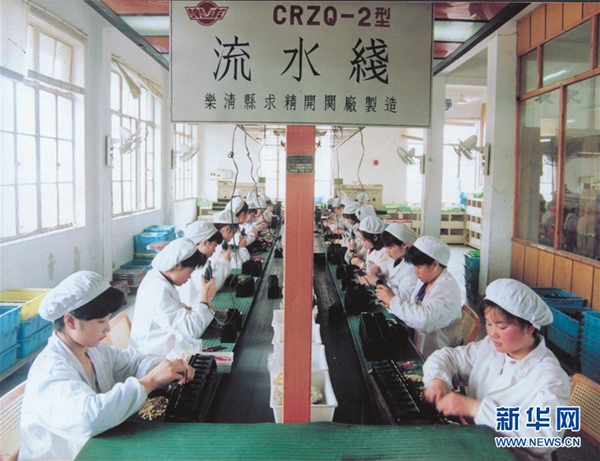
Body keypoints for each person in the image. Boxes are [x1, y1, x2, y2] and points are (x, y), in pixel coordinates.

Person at [20, 271, 194, 461]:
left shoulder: (91, 348)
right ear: (70, 321)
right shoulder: (51, 371)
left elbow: (131, 362)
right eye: (101, 321)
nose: (107, 328)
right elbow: (90, 418)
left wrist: (162, 367)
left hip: (96, 446)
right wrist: (150, 381)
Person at [423, 279, 570, 460]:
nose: (492, 333)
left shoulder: (551, 378)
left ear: (530, 327)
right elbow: (449, 357)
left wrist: (476, 409)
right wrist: (437, 381)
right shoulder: (492, 347)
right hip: (476, 445)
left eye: (502, 326)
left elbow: (545, 438)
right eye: (489, 323)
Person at [129, 238, 217, 357]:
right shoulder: (158, 289)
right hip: (151, 357)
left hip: (164, 348)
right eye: (190, 272)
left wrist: (187, 308)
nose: (189, 277)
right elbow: (190, 331)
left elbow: (173, 313)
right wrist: (204, 297)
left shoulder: (159, 278)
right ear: (177, 265)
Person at [384, 235, 461, 358]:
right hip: (418, 342)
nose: (415, 271)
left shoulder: (447, 290)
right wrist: (391, 304)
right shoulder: (427, 280)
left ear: (435, 265)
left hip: (436, 354)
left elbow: (424, 321)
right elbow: (414, 305)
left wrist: (393, 301)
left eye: (418, 267)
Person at [178, 220, 226, 307]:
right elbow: (212, 287)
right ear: (205, 242)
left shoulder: (193, 260)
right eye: (214, 245)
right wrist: (225, 262)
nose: (215, 250)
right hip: (194, 308)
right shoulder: (197, 266)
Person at [375, 223, 419, 302]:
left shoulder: (413, 267)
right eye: (386, 247)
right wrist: (379, 271)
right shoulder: (396, 258)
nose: (387, 252)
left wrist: (377, 282)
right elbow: (389, 271)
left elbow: (404, 297)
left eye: (390, 248)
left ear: (404, 244)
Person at [350, 215, 393, 280]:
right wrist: (356, 252)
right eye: (360, 239)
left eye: (363, 239)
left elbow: (379, 274)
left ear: (375, 238)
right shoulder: (371, 247)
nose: (362, 242)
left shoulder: (385, 252)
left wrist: (361, 264)